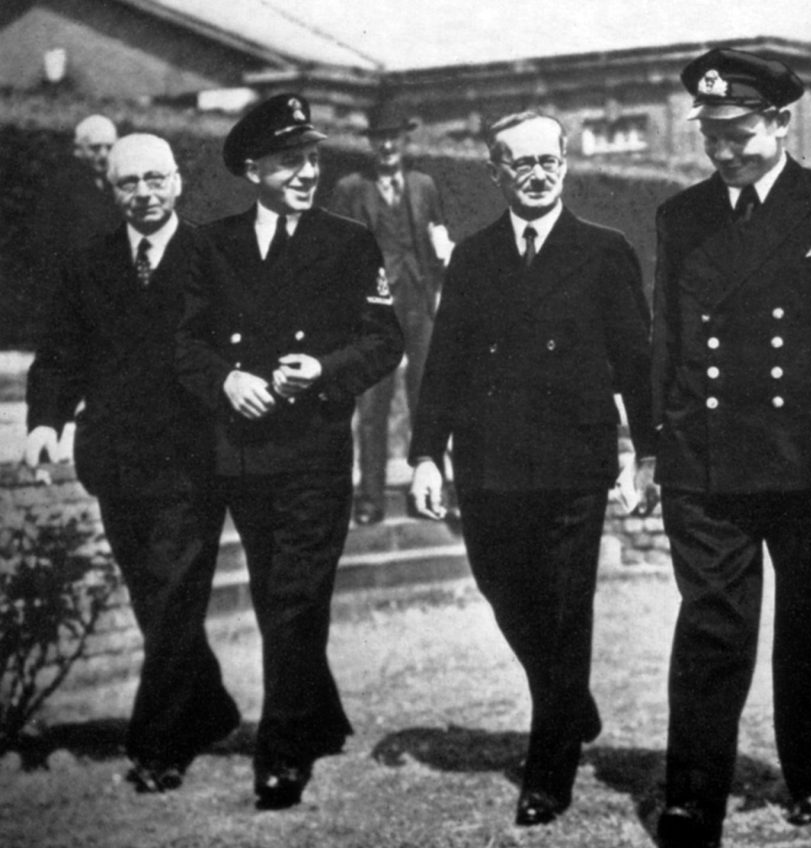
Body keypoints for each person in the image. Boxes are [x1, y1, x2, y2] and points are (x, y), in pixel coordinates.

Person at [651, 48, 811, 848]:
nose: (722, 151)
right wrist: (656, 446)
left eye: (737, 133)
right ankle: (692, 799)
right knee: (711, 629)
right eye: (710, 135)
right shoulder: (680, 218)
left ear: (781, 123)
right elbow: (670, 342)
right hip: (710, 460)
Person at [409, 111, 655, 827]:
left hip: (574, 463)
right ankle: (571, 703)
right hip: (488, 464)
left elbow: (636, 361)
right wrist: (426, 452)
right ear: (496, 172)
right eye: (522, 163)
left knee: (563, 607)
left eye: (550, 160)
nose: (539, 173)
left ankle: (551, 769)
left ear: (566, 165)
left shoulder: (605, 252)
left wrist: (648, 450)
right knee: (500, 588)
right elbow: (445, 363)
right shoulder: (474, 257)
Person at [176, 93, 404, 810]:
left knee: (296, 594)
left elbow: (383, 339)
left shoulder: (348, 241)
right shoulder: (210, 244)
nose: (307, 172)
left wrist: (326, 372)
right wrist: (227, 379)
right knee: (283, 595)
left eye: (312, 159)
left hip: (314, 450)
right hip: (243, 451)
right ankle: (322, 714)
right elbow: (183, 342)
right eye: (289, 161)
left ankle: (281, 753)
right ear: (253, 168)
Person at [24, 133, 239, 794]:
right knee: (154, 599)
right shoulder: (88, 264)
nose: (143, 193)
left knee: (174, 595)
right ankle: (209, 707)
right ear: (110, 190)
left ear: (178, 183)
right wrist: (44, 422)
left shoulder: (215, 258)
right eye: (128, 183)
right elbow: (59, 352)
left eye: (155, 179)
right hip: (116, 460)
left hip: (193, 461)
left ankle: (157, 746)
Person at [330, 99, 453, 525]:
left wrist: (438, 291)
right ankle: (370, 499)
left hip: (419, 301)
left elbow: (438, 244)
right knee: (373, 403)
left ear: (404, 140)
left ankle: (430, 490)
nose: (387, 147)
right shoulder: (350, 189)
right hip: (373, 310)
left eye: (393, 138)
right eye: (380, 139)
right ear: (371, 144)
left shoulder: (423, 186)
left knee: (428, 399)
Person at [30, 115, 124, 292]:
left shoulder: (117, 184)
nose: (103, 155)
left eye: (109, 147)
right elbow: (46, 241)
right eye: (95, 148)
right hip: (74, 284)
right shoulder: (62, 186)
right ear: (79, 150)